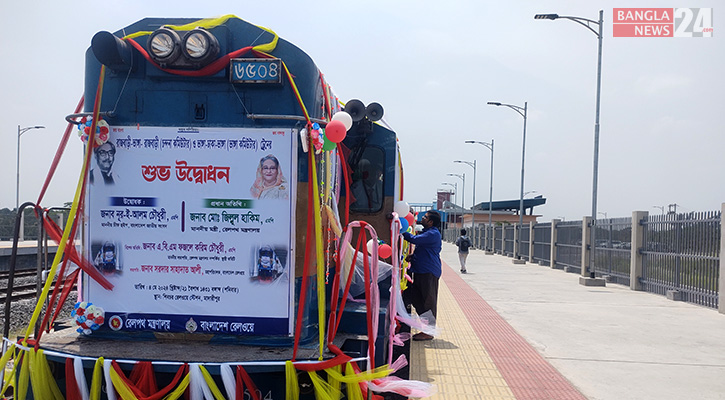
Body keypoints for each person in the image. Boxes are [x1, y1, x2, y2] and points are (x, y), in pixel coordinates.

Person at [402, 210, 442, 341]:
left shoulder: (433, 234)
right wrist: (413, 257)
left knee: (428, 301)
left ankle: (429, 332)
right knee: (415, 297)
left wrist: (400, 229)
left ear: (430, 222)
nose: (422, 219)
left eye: (425, 217)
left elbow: (413, 239)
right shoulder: (428, 233)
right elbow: (426, 250)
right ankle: (426, 326)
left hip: (428, 272)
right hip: (420, 271)